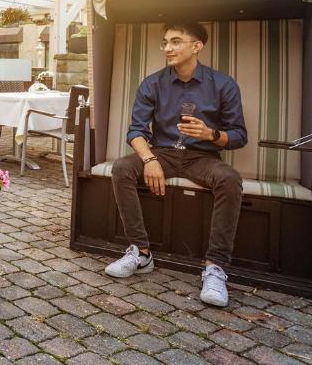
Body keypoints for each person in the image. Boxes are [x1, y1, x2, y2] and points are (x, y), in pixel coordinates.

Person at [104, 22, 247, 307]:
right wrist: (149, 159)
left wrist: (210, 134)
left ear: (196, 46)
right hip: (163, 153)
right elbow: (136, 131)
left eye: (176, 41)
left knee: (230, 179)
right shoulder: (152, 83)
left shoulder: (223, 84)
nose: (168, 48)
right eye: (165, 42)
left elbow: (239, 135)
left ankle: (215, 268)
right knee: (122, 168)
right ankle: (141, 253)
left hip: (202, 157)